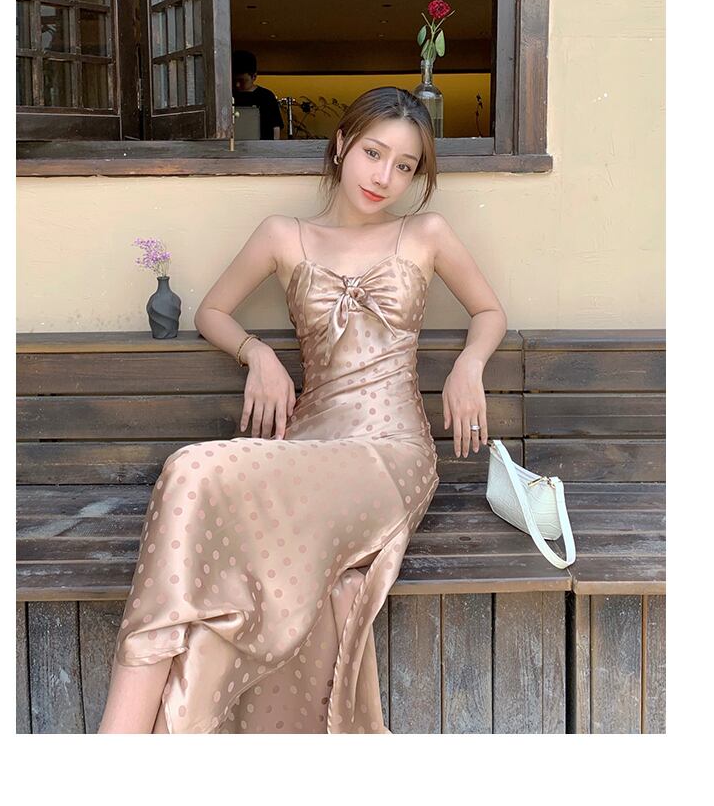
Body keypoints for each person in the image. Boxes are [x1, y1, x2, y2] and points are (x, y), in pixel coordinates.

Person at [98, 86, 508, 734]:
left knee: (192, 469)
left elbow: (489, 311)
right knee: (202, 519)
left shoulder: (424, 233)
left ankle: (115, 743)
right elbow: (212, 311)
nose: (384, 176)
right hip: (309, 445)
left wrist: (469, 363)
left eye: (404, 166)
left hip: (391, 453)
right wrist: (256, 353)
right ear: (341, 144)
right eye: (374, 153)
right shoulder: (283, 235)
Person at [231, 49, 285, 139]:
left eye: (242, 81)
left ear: (254, 77)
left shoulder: (266, 97)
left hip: (262, 145)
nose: (237, 85)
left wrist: (274, 146)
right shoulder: (228, 96)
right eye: (234, 80)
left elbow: (275, 128)